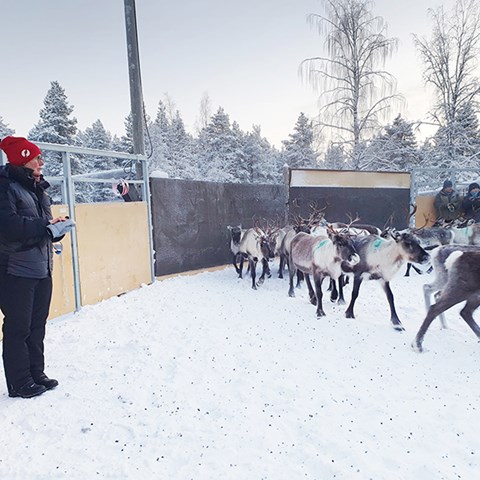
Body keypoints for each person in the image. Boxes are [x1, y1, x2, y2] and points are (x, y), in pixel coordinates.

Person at [0, 136, 75, 398]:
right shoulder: (5, 187)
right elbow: (9, 227)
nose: (41, 162)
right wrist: (45, 227)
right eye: (36, 157)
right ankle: (19, 383)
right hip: (15, 270)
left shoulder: (38, 189)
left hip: (42, 267)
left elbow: (40, 227)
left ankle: (35, 373)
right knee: (18, 327)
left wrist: (56, 228)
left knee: (37, 325)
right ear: (22, 159)